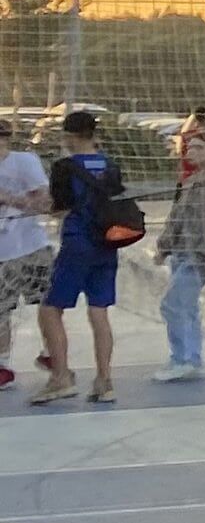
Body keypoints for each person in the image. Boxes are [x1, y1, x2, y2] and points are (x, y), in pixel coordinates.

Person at [37, 105, 130, 404]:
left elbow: (60, 207)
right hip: (107, 244)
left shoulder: (65, 168)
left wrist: (40, 207)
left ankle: (61, 376)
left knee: (50, 309)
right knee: (99, 312)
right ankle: (104, 380)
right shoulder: (111, 165)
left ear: (71, 136)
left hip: (77, 243)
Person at [157, 106, 205, 383]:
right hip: (182, 252)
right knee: (188, 307)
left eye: (197, 147)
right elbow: (178, 217)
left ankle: (182, 358)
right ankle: (191, 359)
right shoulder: (190, 181)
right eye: (189, 147)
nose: (190, 152)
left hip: (200, 255)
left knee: (171, 304)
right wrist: (164, 246)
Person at [0, 116, 53, 391]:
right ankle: (3, 364)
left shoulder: (24, 162)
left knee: (46, 302)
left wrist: (9, 198)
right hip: (2, 253)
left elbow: (43, 202)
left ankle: (52, 352)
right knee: (1, 309)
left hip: (31, 246)